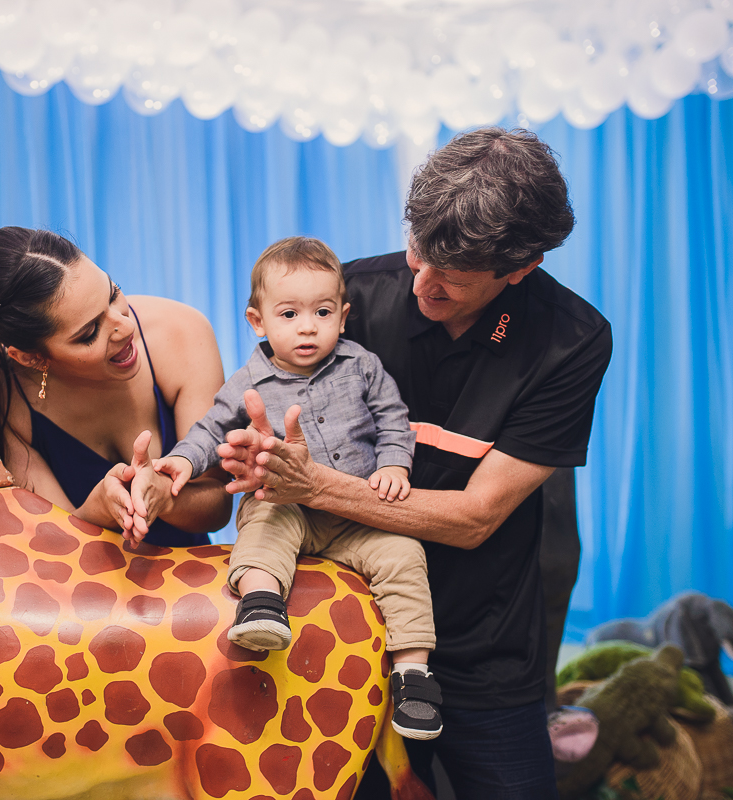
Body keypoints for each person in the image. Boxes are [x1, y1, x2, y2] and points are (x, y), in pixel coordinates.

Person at [217, 128, 613, 800]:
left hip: (484, 648)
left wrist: (315, 483)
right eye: (418, 254)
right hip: (341, 627)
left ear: (522, 267)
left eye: (452, 277)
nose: (423, 282)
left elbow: (475, 517)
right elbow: (261, 432)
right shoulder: (351, 299)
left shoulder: (570, 341)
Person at [157, 236, 445, 740]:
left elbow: (394, 421)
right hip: (286, 507)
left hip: (357, 516)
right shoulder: (248, 380)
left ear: (343, 315)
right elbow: (207, 429)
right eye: (289, 314)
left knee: (404, 554)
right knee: (265, 521)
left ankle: (414, 674)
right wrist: (181, 459)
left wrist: (395, 466)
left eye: (323, 311)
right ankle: (263, 604)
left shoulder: (363, 366)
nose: (308, 326)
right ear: (258, 321)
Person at [0, 227, 233, 547]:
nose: (125, 326)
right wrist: (94, 512)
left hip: (192, 581)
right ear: (31, 358)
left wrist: (168, 499)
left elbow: (219, 505)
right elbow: (52, 546)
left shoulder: (181, 332)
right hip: (85, 589)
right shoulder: (4, 399)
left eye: (114, 294)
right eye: (89, 333)